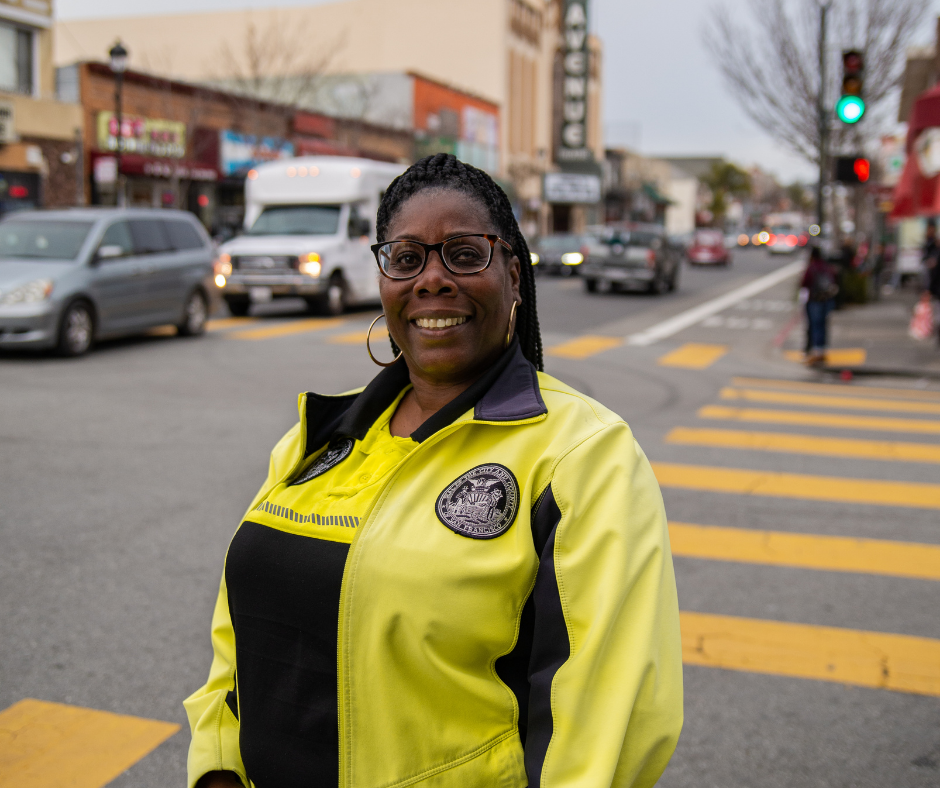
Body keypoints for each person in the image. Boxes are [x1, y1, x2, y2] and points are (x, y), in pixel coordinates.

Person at [184, 154, 683, 788]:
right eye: (406, 257)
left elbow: (607, 723)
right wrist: (218, 770)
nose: (433, 279)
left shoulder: (584, 456)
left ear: (514, 275)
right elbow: (235, 650)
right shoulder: (316, 440)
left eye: (465, 254)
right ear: (384, 279)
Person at [800, 246, 839, 366]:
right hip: (826, 300)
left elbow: (804, 283)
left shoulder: (812, 267)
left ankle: (816, 352)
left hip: (815, 300)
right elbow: (834, 280)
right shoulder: (826, 267)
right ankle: (822, 351)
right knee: (823, 325)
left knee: (815, 325)